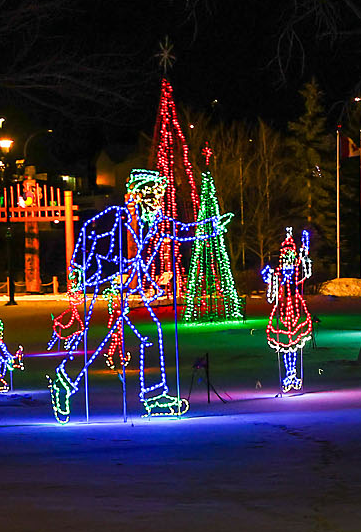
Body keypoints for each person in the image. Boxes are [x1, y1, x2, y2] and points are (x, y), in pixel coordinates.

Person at [48, 168, 229, 422]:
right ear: (138, 195)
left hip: (129, 292)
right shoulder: (115, 218)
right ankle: (63, 382)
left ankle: (154, 397)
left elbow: (182, 230)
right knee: (95, 340)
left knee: (150, 333)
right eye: (153, 195)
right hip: (103, 290)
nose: (158, 201)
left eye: (160, 195)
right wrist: (78, 278)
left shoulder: (155, 224)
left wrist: (209, 228)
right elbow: (88, 239)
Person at [263, 228, 314, 393]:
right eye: (285, 256)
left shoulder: (297, 272)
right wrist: (269, 280)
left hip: (296, 310)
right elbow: (271, 296)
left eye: (290, 256)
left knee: (295, 345)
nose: (288, 260)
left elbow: (306, 273)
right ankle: (289, 372)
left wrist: (305, 254)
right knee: (285, 345)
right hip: (283, 311)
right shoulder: (278, 275)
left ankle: (294, 374)